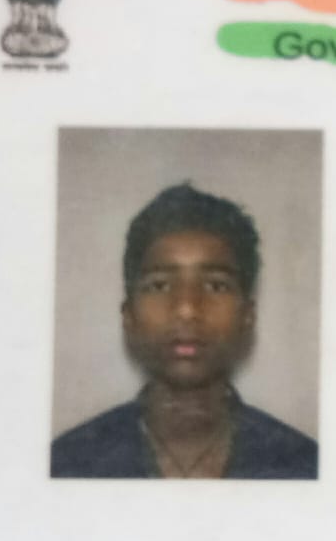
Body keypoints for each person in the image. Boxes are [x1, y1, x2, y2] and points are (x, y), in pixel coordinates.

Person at [51, 183, 318, 479]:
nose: (187, 308)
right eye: (159, 285)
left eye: (215, 285)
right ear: (128, 316)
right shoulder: (67, 463)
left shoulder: (305, 465)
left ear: (247, 316)